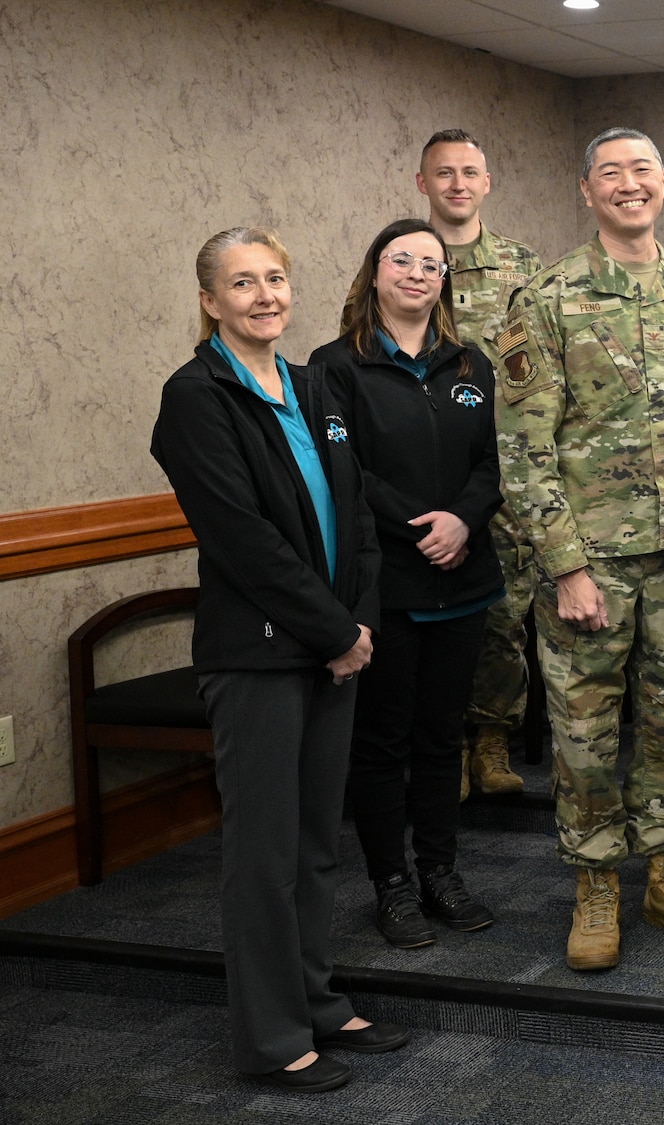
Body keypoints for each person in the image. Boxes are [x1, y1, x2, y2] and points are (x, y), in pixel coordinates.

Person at [152, 227, 406, 1091]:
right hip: (260, 659)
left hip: (335, 650)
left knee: (311, 846)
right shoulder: (196, 396)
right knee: (261, 855)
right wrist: (336, 633)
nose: (265, 295)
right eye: (242, 282)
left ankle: (318, 1002)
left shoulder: (314, 385)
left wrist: (357, 624)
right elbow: (244, 541)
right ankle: (270, 1038)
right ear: (211, 301)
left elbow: (359, 515)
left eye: (276, 278)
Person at [497, 127, 664, 971]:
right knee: (587, 732)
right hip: (588, 563)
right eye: (611, 173)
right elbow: (524, 447)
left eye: (642, 171)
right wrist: (564, 566)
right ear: (586, 190)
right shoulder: (549, 298)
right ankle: (596, 882)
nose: (629, 185)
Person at [312, 219, 503, 950]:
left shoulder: (470, 365)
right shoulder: (334, 365)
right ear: (375, 271)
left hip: (464, 580)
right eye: (403, 259)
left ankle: (440, 873)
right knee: (383, 741)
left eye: (433, 262)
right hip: (385, 583)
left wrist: (461, 518)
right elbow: (346, 472)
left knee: (441, 734)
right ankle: (391, 883)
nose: (418, 272)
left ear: (445, 280)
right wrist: (420, 526)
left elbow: (494, 460)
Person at [417, 128, 543, 800]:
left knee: (502, 614)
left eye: (469, 172)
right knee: (439, 617)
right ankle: (446, 746)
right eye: (444, 173)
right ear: (423, 185)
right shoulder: (406, 262)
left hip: (506, 466)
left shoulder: (523, 267)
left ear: (487, 183)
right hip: (430, 468)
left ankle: (492, 740)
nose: (458, 184)